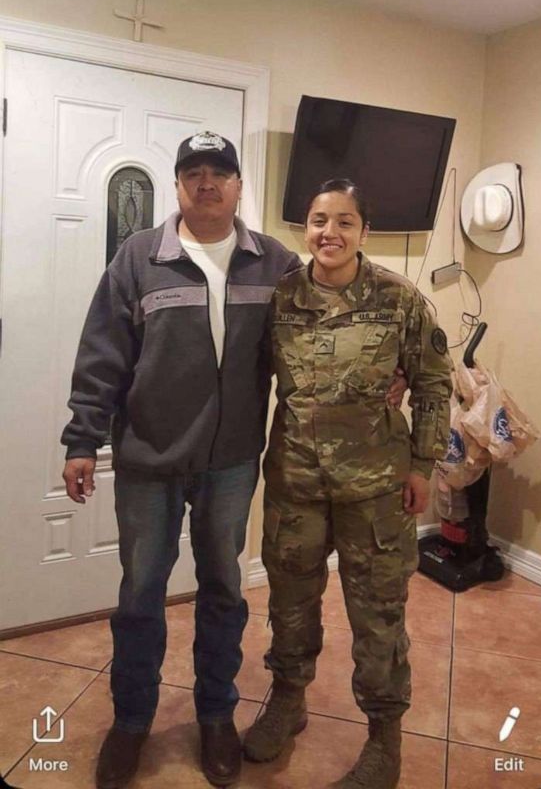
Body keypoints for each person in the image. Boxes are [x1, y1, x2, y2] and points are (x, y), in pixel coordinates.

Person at [61, 133, 408, 789]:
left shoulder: (272, 262)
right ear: (178, 187)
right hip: (149, 464)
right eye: (193, 172)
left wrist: (393, 370)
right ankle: (131, 720)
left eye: (220, 173)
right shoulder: (139, 258)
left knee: (224, 590)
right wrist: (83, 439)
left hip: (231, 466)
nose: (207, 183)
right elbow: (101, 354)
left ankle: (216, 715)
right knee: (140, 596)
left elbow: (332, 318)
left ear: (239, 187)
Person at [243, 178, 453, 789]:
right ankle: (288, 700)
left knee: (379, 618)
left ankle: (384, 740)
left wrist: (422, 464)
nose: (328, 233)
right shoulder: (279, 298)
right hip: (296, 485)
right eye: (317, 220)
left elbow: (436, 383)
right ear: (303, 229)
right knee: (290, 607)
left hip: (377, 492)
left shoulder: (399, 299)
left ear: (364, 230)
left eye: (344, 221)